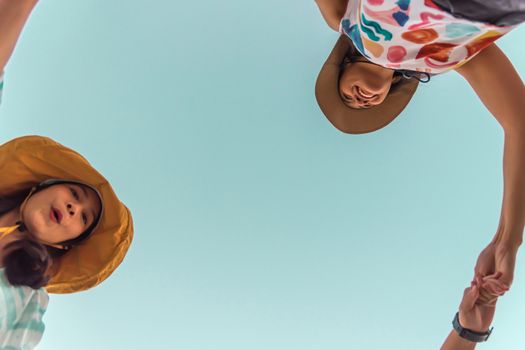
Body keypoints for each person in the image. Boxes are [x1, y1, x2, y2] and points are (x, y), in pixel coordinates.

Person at [0, 135, 134, 348]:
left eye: (84, 218)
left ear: (65, 245)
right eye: (74, 193)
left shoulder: (28, 301)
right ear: (41, 186)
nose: (75, 208)